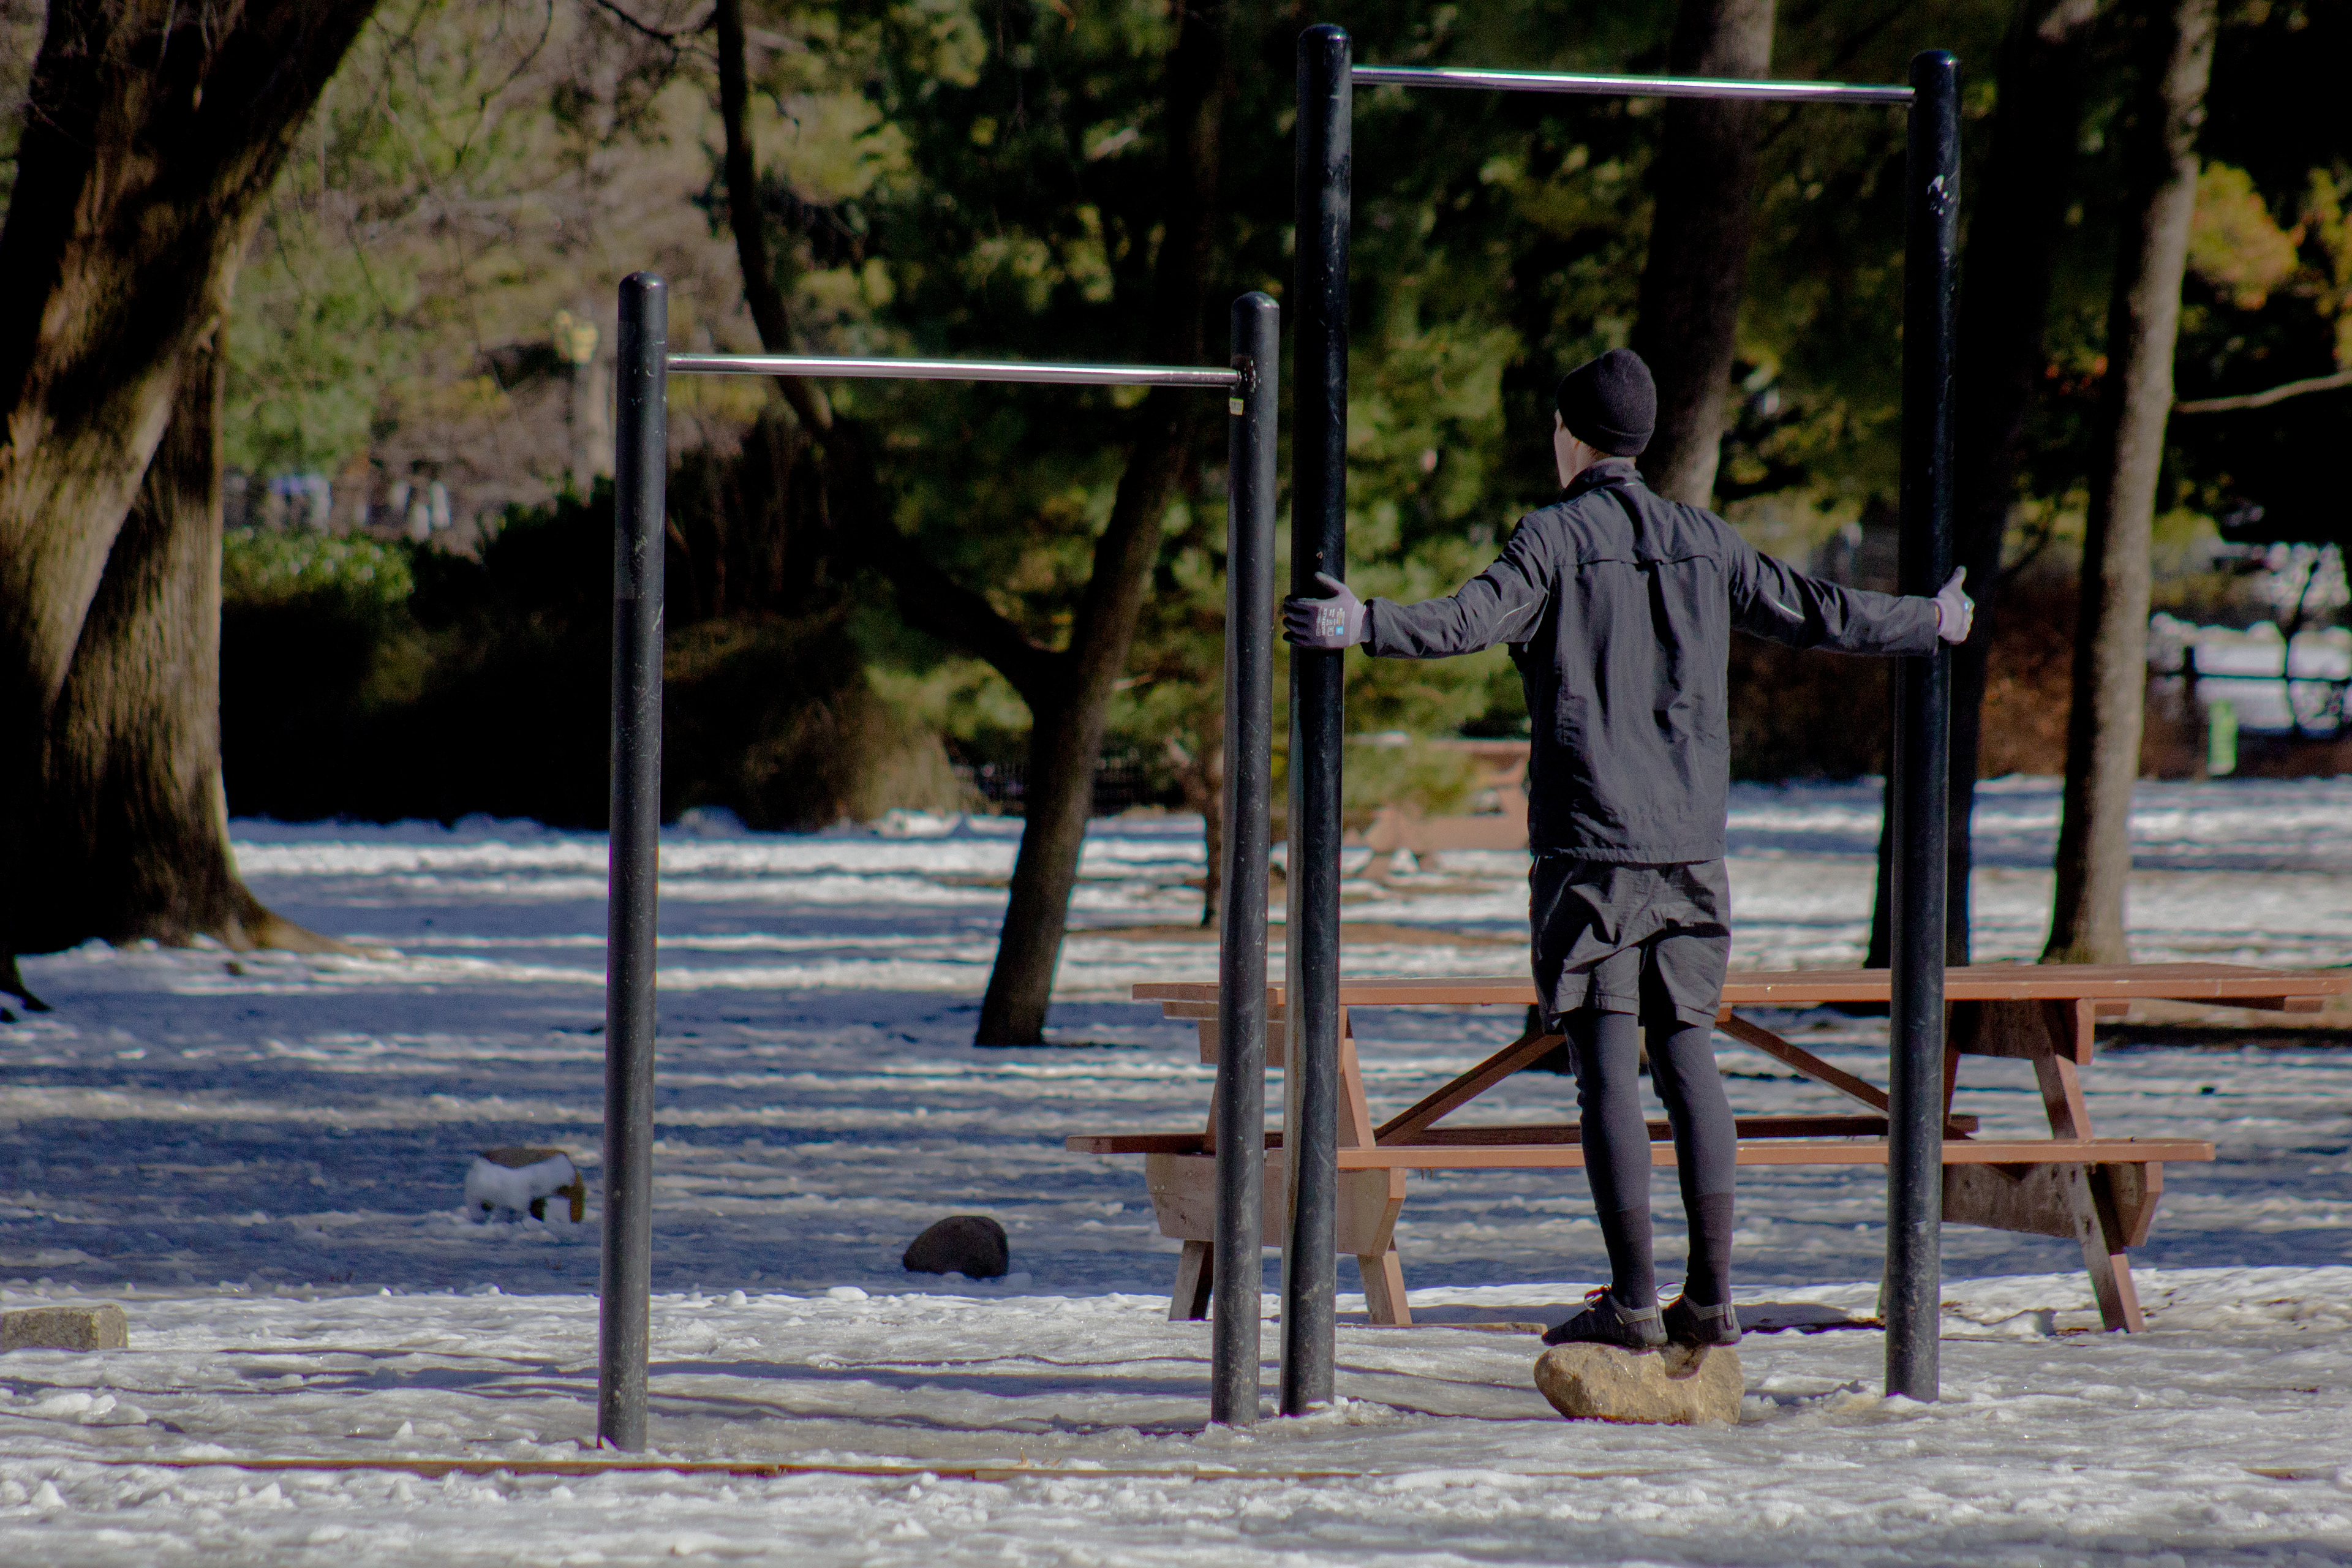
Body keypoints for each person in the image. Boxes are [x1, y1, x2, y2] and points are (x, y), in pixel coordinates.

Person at [1281, 348, 1972, 1352]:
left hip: (1590, 848)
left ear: (1570, 434)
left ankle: (1635, 1300)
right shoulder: (1706, 539)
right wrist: (1933, 620)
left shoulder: (1553, 539)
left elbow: (1470, 620)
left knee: (1606, 1061)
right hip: (1691, 846)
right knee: (1689, 1050)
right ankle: (1715, 1295)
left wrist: (1362, 623)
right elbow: (1819, 611)